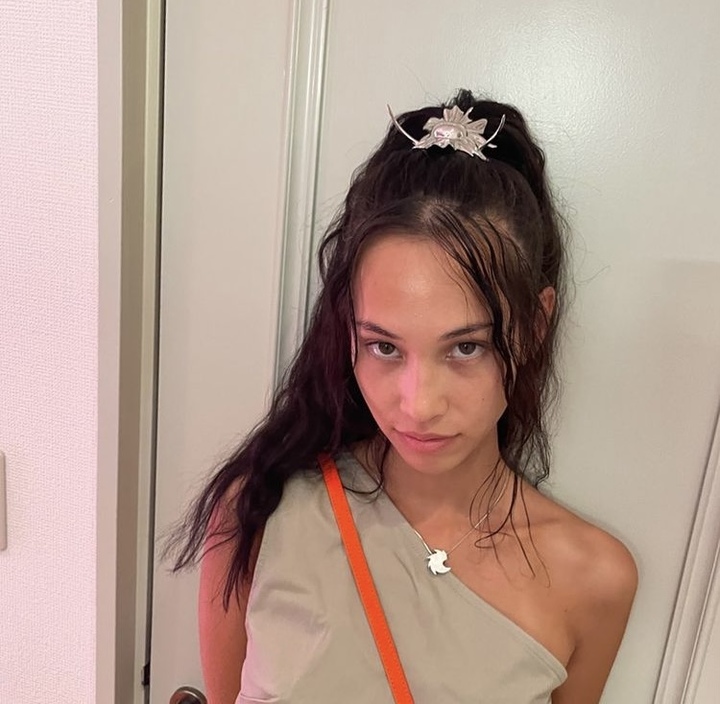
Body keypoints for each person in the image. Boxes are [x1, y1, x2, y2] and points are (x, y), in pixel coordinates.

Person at [168, 89, 638, 704]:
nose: (418, 405)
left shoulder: (594, 581)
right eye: (385, 346)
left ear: (534, 325)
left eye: (466, 347)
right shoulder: (258, 511)